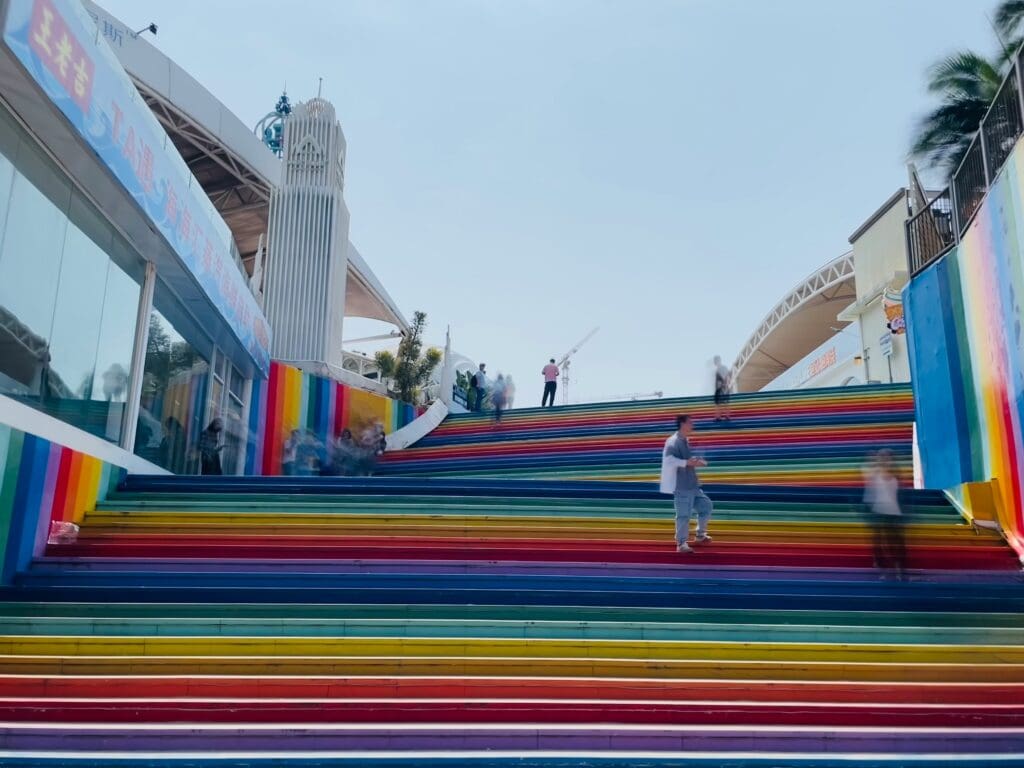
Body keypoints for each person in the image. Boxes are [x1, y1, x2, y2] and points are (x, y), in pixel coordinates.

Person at [660, 414, 713, 553]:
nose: (692, 425)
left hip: (693, 485)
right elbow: (669, 460)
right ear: (682, 424)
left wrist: (694, 460)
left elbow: (685, 459)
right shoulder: (673, 441)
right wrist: (687, 462)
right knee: (683, 515)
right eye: (690, 422)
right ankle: (681, 544)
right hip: (682, 486)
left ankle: (700, 535)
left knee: (706, 506)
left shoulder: (685, 441)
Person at [863, 449, 907, 580]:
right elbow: (869, 493)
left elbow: (901, 495)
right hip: (878, 512)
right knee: (879, 542)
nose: (885, 460)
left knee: (895, 542)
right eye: (882, 458)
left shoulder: (896, 475)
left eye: (888, 458)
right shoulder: (874, 474)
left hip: (894, 513)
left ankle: (899, 570)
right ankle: (883, 570)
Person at [713, 356, 732, 422]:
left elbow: (726, 377)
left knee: (721, 402)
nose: (714, 362)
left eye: (715, 361)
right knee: (722, 402)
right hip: (722, 387)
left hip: (722, 388)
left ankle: (722, 417)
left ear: (718, 361)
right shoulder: (720, 368)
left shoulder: (722, 368)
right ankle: (723, 416)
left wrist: (724, 385)